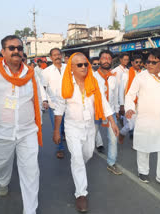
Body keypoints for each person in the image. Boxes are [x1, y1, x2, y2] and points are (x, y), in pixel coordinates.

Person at [0, 35, 42, 214]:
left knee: (31, 171)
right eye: (11, 48)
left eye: (19, 48)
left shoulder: (31, 74)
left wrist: (39, 120)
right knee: (1, 165)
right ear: (3, 52)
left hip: (27, 132)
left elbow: (38, 99)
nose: (16, 51)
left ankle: (30, 210)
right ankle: (3, 181)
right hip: (1, 132)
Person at [53, 53, 119, 213]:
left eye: (86, 64)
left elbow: (103, 102)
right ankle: (81, 194)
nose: (84, 67)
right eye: (80, 65)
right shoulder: (66, 84)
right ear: (72, 68)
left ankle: (78, 168)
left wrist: (112, 121)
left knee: (88, 154)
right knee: (76, 158)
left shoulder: (93, 82)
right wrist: (56, 131)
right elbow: (59, 109)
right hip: (72, 127)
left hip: (90, 127)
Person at [125, 49, 160, 191]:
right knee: (144, 146)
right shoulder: (141, 77)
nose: (148, 65)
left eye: (153, 62)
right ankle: (143, 171)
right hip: (146, 118)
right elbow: (130, 95)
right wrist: (129, 108)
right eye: (147, 61)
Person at [93, 50, 122, 175]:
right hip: (95, 112)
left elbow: (115, 96)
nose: (106, 60)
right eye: (103, 58)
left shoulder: (114, 77)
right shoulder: (93, 77)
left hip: (109, 113)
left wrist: (116, 110)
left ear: (111, 61)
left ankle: (111, 163)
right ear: (99, 61)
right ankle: (83, 158)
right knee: (90, 137)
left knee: (113, 138)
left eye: (109, 58)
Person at [41, 48, 66, 159]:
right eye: (54, 55)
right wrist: (45, 100)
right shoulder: (46, 72)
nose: (57, 56)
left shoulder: (68, 68)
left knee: (68, 126)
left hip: (69, 103)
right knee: (57, 127)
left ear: (61, 55)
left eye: (58, 54)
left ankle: (67, 140)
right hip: (54, 104)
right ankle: (60, 148)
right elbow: (43, 88)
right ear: (50, 58)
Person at [118, 54, 142, 144]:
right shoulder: (126, 74)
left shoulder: (142, 74)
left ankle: (137, 143)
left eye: (140, 62)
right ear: (132, 63)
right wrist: (122, 105)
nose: (138, 64)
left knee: (139, 124)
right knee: (131, 124)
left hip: (139, 103)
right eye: (136, 62)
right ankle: (122, 133)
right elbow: (121, 90)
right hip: (129, 102)